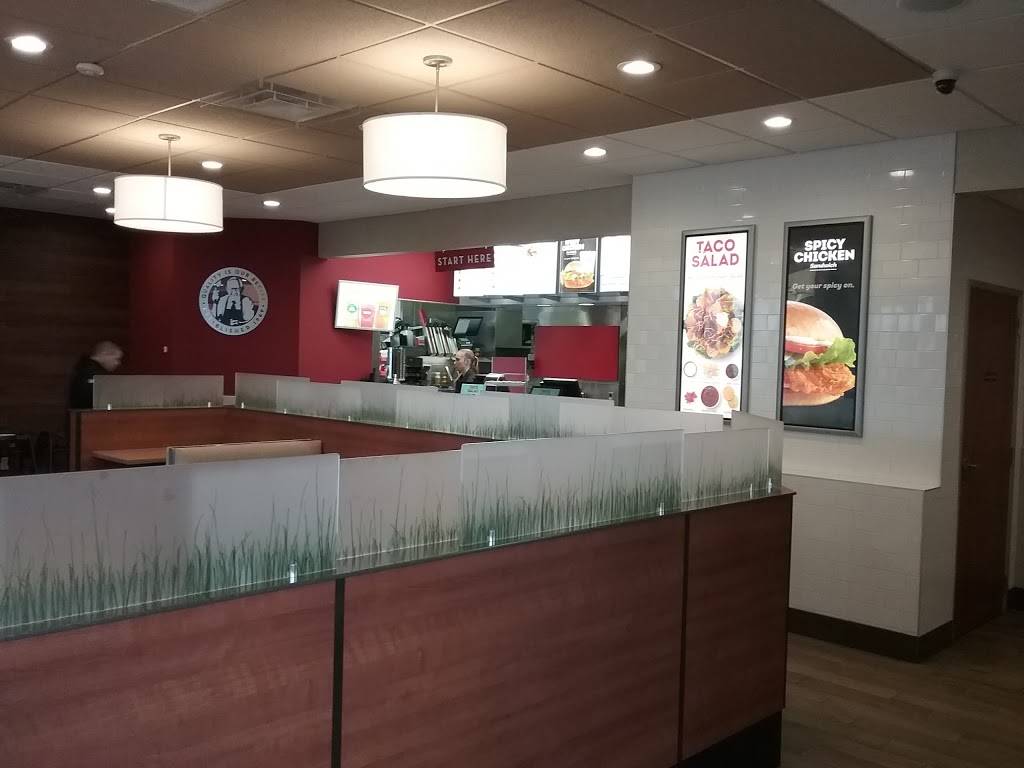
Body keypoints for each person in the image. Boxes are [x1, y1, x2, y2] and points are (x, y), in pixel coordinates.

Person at [68, 341, 123, 409]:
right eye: (116, 359)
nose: (117, 363)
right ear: (105, 354)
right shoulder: (94, 374)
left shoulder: (83, 369)